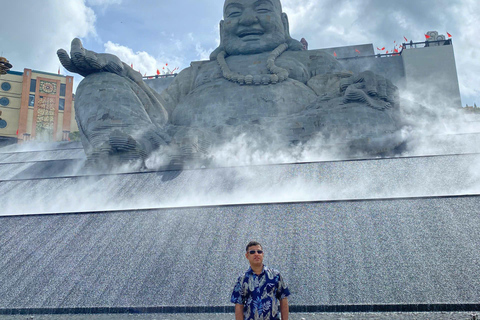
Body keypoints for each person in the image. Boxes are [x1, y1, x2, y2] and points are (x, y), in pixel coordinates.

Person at [58, 0, 399, 166]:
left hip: (287, 135)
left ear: (282, 21)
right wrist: (123, 73)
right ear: (222, 29)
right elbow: (158, 109)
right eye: (235, 13)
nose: (248, 19)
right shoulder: (200, 71)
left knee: (369, 112)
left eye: (261, 8)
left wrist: (366, 87)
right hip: (173, 139)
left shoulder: (308, 60)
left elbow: (348, 96)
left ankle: (190, 150)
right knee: (100, 82)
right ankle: (128, 150)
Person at [231, 241, 290, 320]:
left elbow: (283, 299)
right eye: (252, 252)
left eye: (259, 251)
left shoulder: (275, 275)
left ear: (263, 254)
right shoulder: (242, 279)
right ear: (247, 256)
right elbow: (239, 305)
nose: (256, 254)